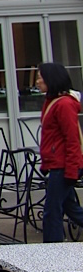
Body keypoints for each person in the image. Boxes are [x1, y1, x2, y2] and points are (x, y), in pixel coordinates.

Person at [36, 61, 83, 241]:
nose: (38, 81)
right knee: (72, 210)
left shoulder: (63, 105)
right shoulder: (52, 102)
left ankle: (52, 254)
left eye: (41, 77)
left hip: (64, 166)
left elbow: (72, 140)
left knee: (52, 212)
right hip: (58, 164)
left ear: (51, 79)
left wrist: (71, 171)